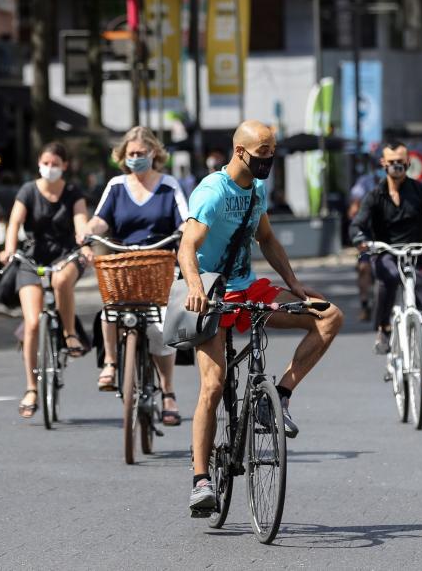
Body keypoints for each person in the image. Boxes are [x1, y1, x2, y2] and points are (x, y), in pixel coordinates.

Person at [180, 120, 343, 513]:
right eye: (264, 152)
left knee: (328, 315)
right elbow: (186, 245)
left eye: (273, 151)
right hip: (212, 292)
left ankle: (279, 397)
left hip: (247, 287)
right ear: (241, 151)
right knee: (213, 385)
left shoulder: (256, 189)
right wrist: (196, 288)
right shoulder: (212, 191)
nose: (270, 159)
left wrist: (296, 285)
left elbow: (266, 239)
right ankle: (202, 481)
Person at [83, 126, 187, 426]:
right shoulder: (116, 186)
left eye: (141, 153)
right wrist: (89, 231)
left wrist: (184, 231)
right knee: (109, 312)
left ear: (154, 153)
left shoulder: (169, 186)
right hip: (125, 266)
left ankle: (168, 392)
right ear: (122, 157)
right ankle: (112, 364)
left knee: (158, 327)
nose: (136, 158)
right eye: (131, 154)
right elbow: (101, 219)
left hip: (160, 264)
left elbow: (186, 218)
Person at [349, 139, 422, 408]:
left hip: (417, 258)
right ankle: (384, 328)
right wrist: (361, 238)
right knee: (387, 278)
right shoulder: (375, 195)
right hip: (386, 253)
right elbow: (358, 222)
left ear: (408, 164)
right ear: (383, 164)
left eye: (401, 162)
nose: (396, 167)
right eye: (391, 163)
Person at [0, 142, 89, 419]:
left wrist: (84, 244)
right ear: (39, 163)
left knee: (62, 281)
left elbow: (81, 222)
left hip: (65, 256)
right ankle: (31, 388)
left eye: (55, 163)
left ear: (64, 166)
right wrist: (9, 248)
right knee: (33, 323)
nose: (49, 168)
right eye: (45, 162)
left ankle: (69, 333)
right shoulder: (27, 191)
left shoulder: (73, 193)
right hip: (31, 260)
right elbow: (14, 223)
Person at [348, 155, 379, 321]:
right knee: (364, 268)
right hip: (368, 232)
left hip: (389, 233)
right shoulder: (364, 183)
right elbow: (353, 210)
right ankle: (365, 305)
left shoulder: (397, 182)